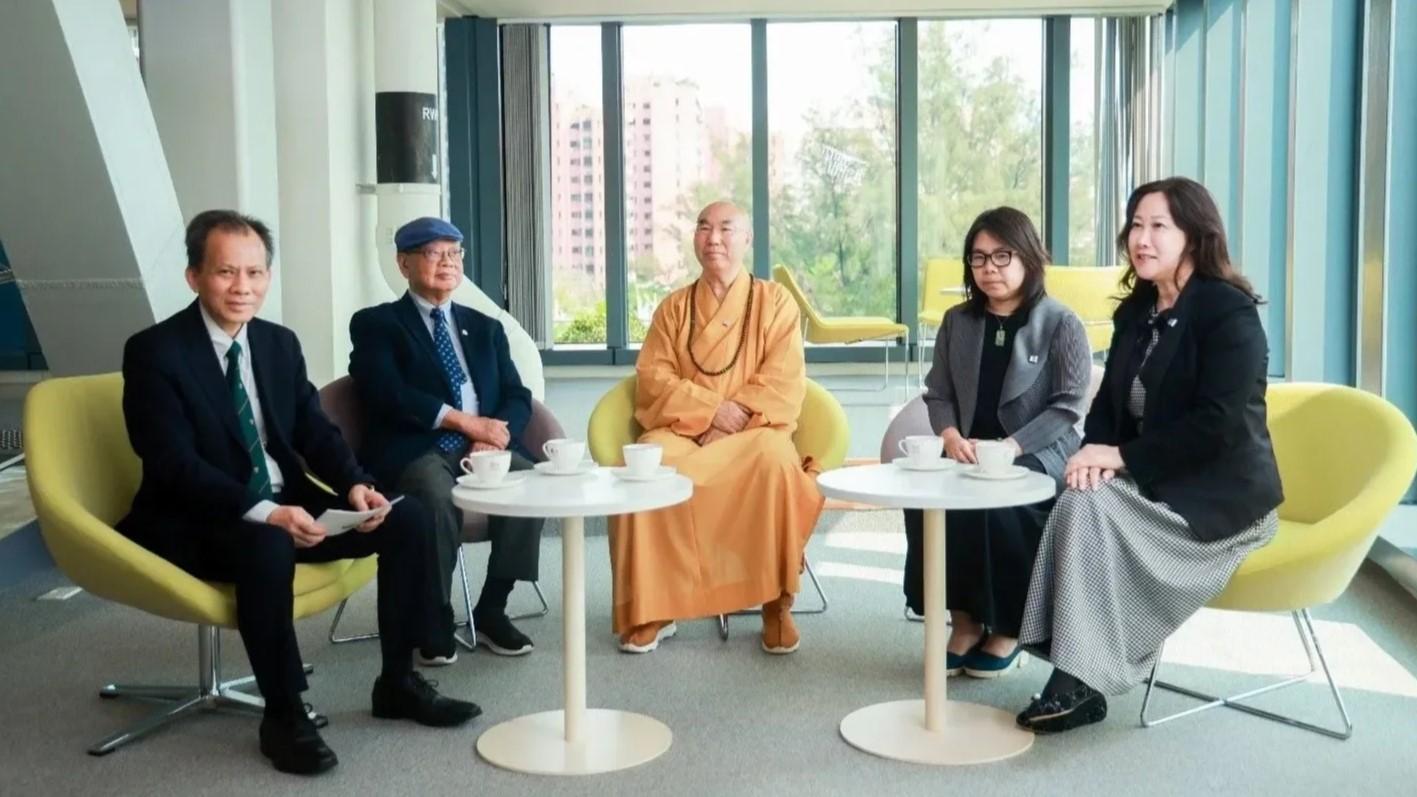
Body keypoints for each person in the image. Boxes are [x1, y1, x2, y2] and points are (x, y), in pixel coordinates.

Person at [116, 210, 479, 776]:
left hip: (287, 502)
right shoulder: (155, 352)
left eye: (255, 273)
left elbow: (316, 431)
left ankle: (398, 682)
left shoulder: (277, 344)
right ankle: (283, 716)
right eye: (226, 272)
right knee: (267, 543)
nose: (243, 287)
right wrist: (268, 513)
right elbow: (172, 464)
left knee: (405, 517)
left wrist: (357, 484)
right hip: (196, 515)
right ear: (194, 276)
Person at [1016, 177, 1284, 733]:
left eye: (1159, 226)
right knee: (1078, 495)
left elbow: (1218, 424)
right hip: (1154, 480)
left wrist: (1120, 457)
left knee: (1088, 506)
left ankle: (1077, 680)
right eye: (1136, 225)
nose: (1142, 238)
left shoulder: (1228, 312)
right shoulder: (1137, 311)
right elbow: (1108, 404)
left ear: (1194, 235)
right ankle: (1076, 671)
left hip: (1219, 499)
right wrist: (1092, 454)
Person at [610, 200, 824, 655]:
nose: (714, 239)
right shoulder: (674, 308)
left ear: (747, 239)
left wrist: (728, 422)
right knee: (648, 467)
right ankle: (654, 607)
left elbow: (783, 380)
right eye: (704, 228)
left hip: (753, 432)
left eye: (727, 229)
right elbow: (653, 379)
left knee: (774, 460)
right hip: (684, 431)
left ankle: (776, 602)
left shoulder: (775, 302)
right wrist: (709, 411)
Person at [908, 207, 1092, 679]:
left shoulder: (1061, 322)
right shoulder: (957, 322)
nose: (989, 268)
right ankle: (965, 622)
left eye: (1002, 256)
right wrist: (949, 435)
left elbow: (1067, 407)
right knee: (927, 497)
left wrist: (1011, 447)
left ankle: (1009, 628)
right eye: (978, 258)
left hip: (1038, 451)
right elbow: (939, 393)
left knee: (1001, 502)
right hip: (968, 448)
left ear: (1029, 257)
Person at [349, 217, 543, 662]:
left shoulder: (486, 327)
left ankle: (493, 607)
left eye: (454, 253)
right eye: (433, 253)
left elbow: (517, 395)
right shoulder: (377, 324)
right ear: (403, 264)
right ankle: (433, 616)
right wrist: (466, 423)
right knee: (435, 498)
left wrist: (493, 436)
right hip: (420, 447)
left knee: (530, 485)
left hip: (485, 449)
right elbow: (386, 391)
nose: (447, 262)